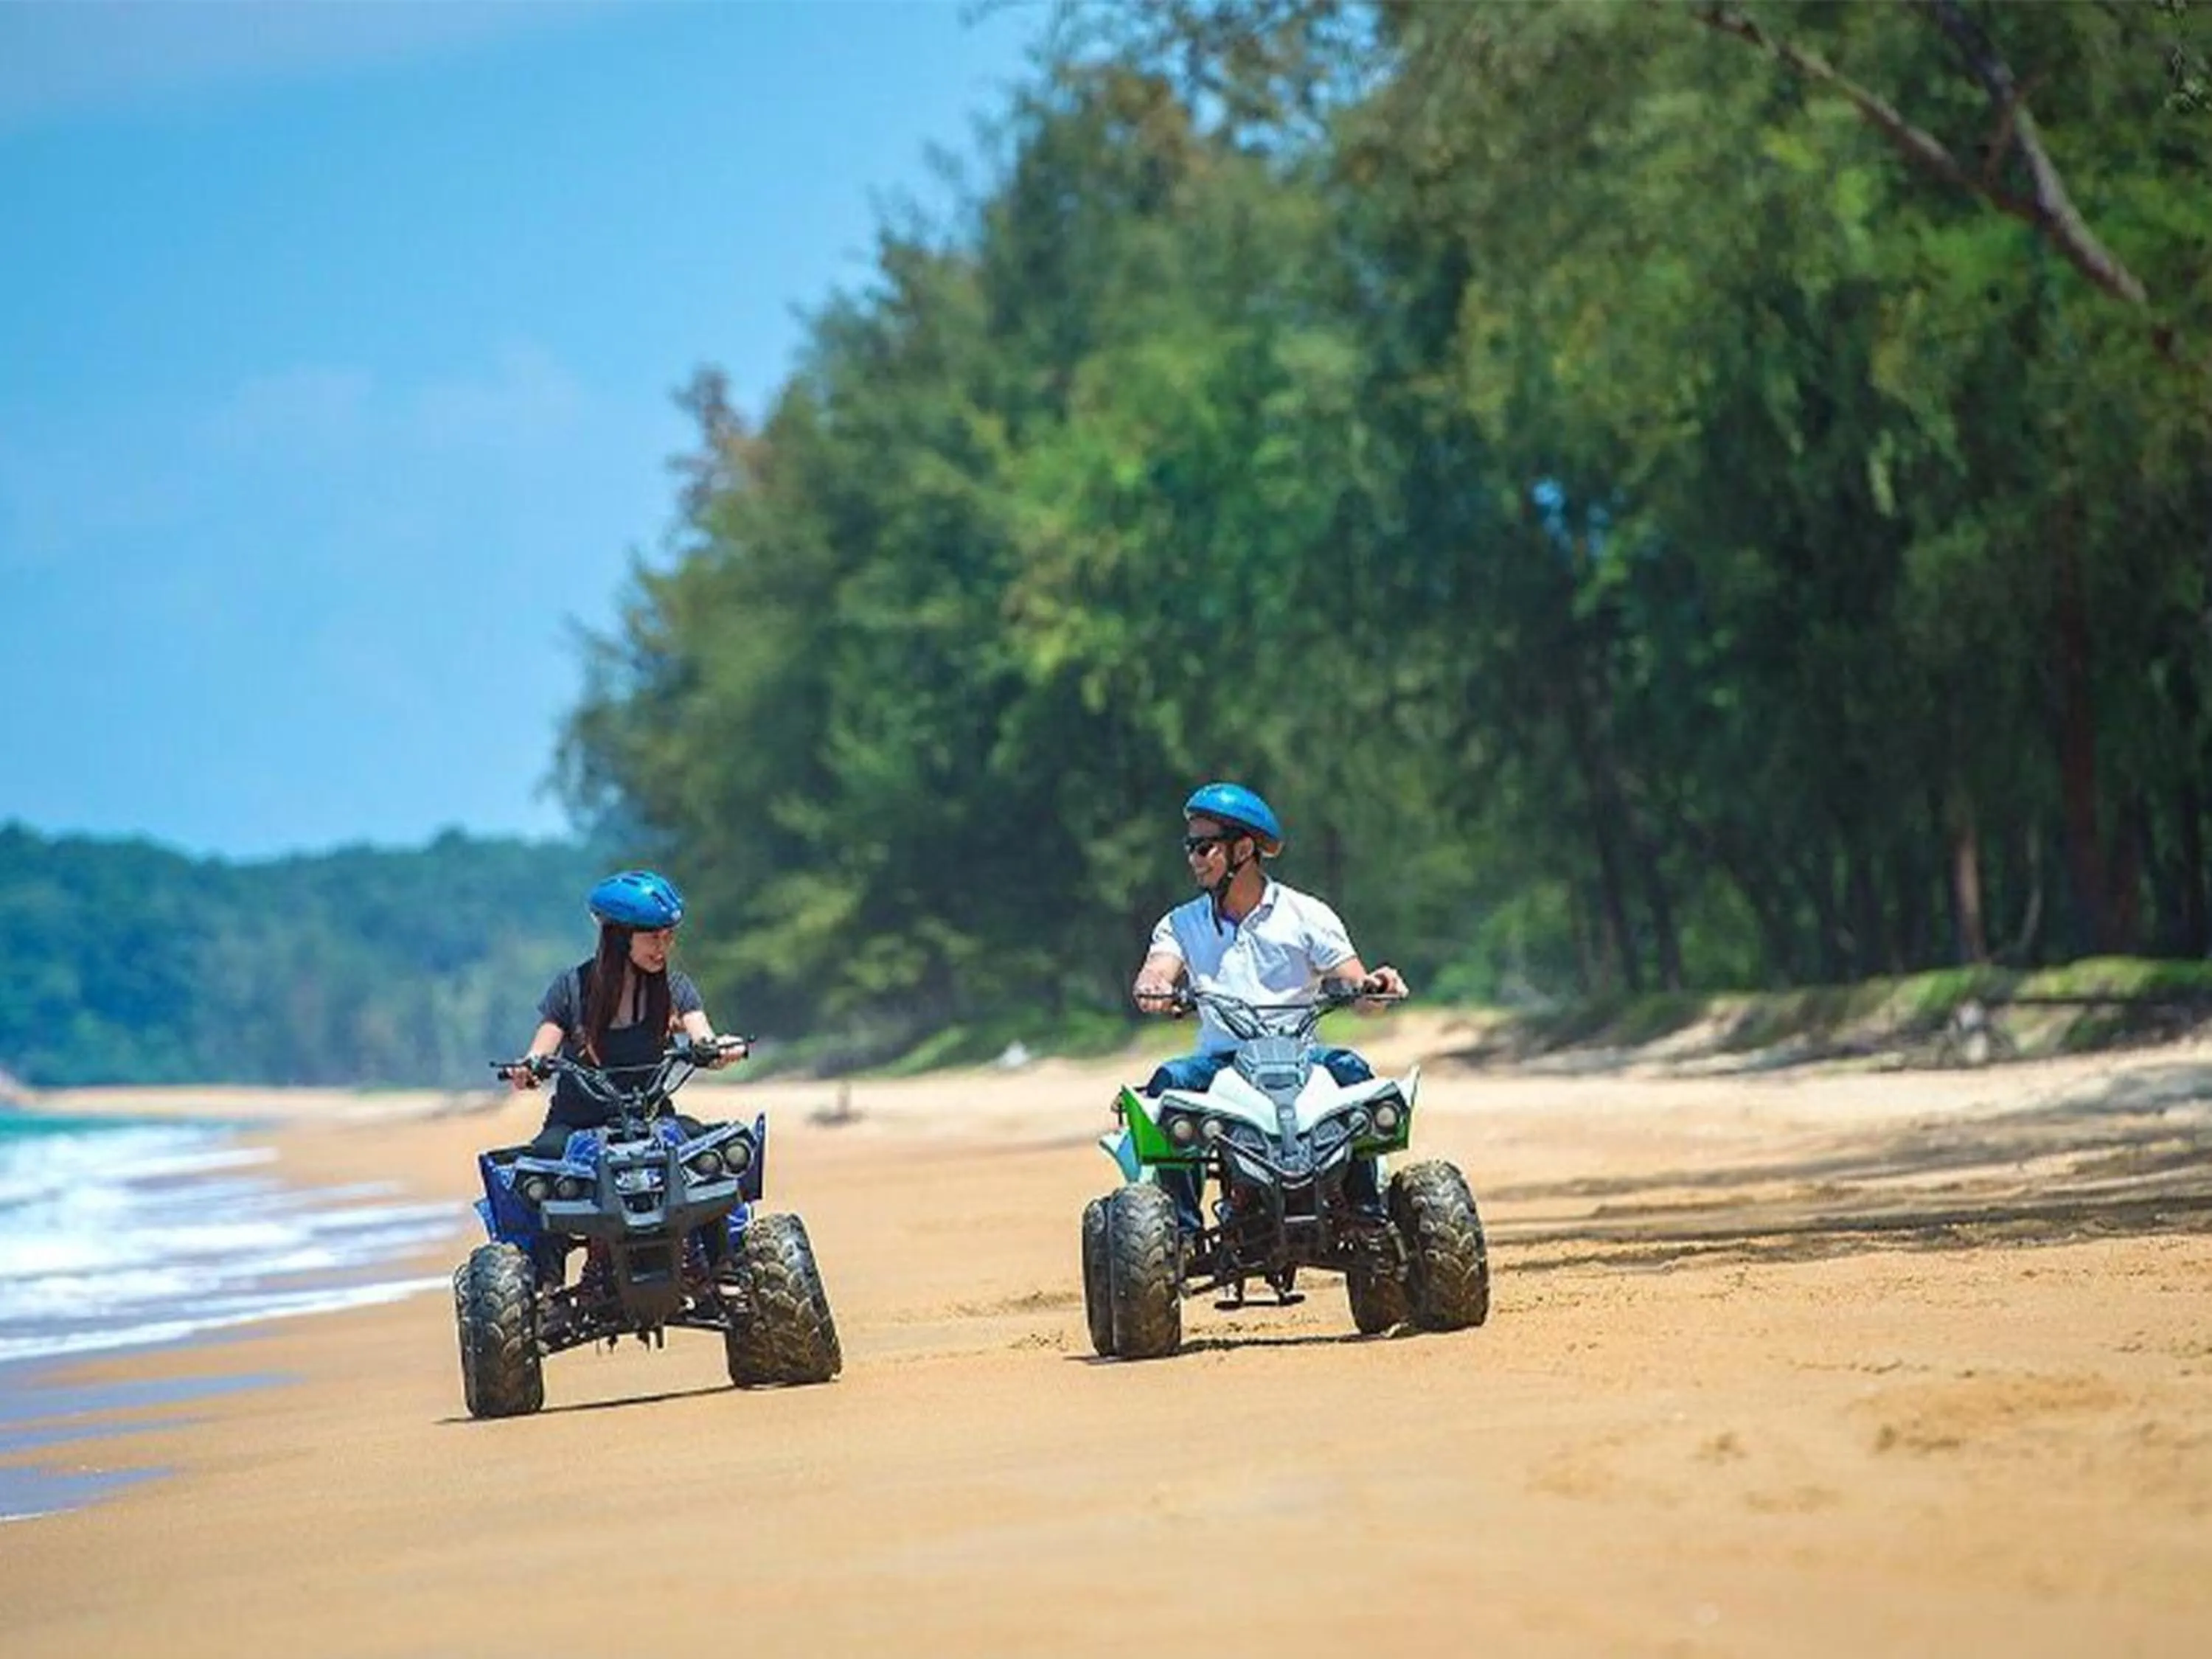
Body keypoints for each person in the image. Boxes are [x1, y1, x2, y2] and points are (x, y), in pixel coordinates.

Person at [1130, 783, 1408, 1231]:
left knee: (1356, 1073)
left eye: (1204, 847)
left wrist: (1376, 987)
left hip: (1304, 1059)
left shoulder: (1306, 914)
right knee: (1169, 1086)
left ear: (1243, 850)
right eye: (1190, 847)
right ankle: (1180, 1231)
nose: (1194, 859)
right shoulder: (1181, 924)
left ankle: (1367, 1212)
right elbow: (1157, 971)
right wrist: (1153, 987)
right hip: (1220, 1063)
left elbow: (1357, 988)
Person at [507, 869, 745, 1281]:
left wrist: (720, 1049)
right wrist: (527, 1069)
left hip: (653, 1119)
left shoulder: (675, 988)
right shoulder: (571, 989)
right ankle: (543, 1285)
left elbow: (703, 1036)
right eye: (654, 937)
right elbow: (539, 1050)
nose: (664, 947)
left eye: (670, 936)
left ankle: (728, 1268)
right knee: (539, 1167)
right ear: (619, 937)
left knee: (709, 1154)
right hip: (576, 1123)